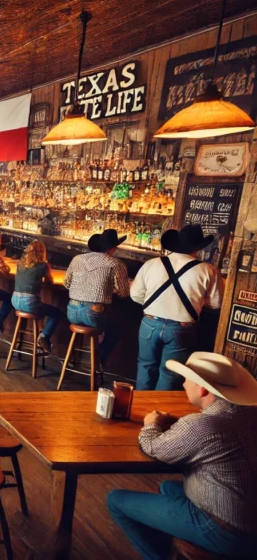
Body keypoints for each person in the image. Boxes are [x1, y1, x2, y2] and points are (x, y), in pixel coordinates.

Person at [107, 352, 257, 559]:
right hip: (249, 518)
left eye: (187, 379)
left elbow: (152, 446)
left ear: (203, 389)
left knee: (115, 500)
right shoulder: (250, 413)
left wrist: (151, 423)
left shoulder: (202, 425)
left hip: (229, 532)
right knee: (167, 487)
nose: (184, 383)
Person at [131, 226, 224, 390]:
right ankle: (158, 411)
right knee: (170, 373)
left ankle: (138, 408)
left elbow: (136, 295)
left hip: (150, 323)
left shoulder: (152, 264)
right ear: (198, 248)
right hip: (181, 328)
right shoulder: (208, 270)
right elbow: (216, 304)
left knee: (145, 366)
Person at [64, 229, 131, 364]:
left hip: (72, 312)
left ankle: (73, 357)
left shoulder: (77, 259)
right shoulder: (116, 264)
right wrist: (110, 289)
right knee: (119, 326)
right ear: (113, 248)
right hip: (93, 315)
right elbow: (124, 293)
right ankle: (98, 360)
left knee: (105, 322)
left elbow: (67, 284)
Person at [11, 240, 63, 353]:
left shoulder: (20, 263)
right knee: (56, 313)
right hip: (29, 303)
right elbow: (49, 282)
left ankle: (18, 344)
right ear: (42, 252)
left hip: (15, 300)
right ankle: (44, 336)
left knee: (38, 310)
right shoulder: (43, 266)